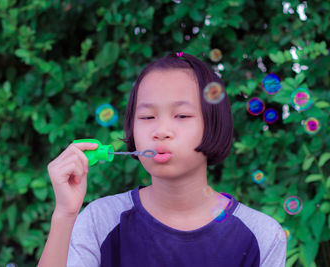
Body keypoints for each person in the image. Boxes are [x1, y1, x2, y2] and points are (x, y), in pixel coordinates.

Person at [38, 53, 287, 267]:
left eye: (181, 115)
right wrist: (64, 215)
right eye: (147, 117)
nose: (160, 130)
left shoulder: (262, 236)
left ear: (213, 124)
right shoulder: (100, 221)